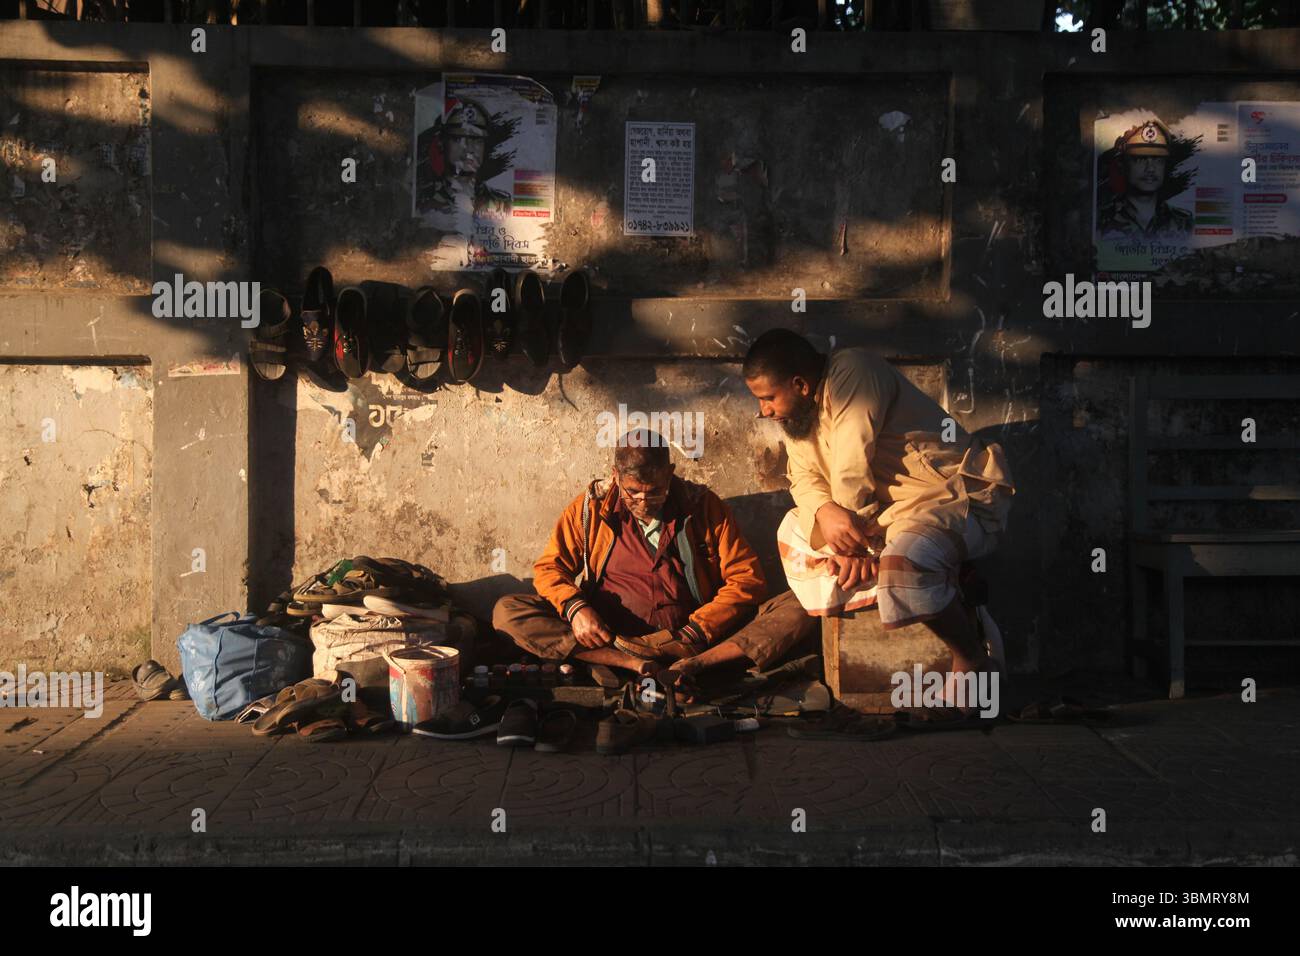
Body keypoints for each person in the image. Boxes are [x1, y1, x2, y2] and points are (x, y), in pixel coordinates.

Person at [742, 329, 1015, 693]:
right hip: (879, 518)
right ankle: (885, 573)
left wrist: (852, 545)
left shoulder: (853, 371)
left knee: (906, 561)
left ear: (800, 385)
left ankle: (970, 658)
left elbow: (851, 469)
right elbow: (803, 478)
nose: (764, 411)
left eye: (768, 398)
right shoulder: (799, 418)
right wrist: (824, 510)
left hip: (948, 502)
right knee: (791, 530)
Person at [493, 430, 817, 687]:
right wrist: (576, 609)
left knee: (803, 603)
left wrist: (698, 630)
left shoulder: (703, 506)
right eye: (633, 492)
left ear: (670, 473)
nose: (644, 501)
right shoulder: (590, 508)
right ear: (616, 475)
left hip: (692, 638)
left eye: (655, 491)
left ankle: (694, 665)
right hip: (613, 639)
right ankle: (632, 664)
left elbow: (747, 579)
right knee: (508, 611)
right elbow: (550, 569)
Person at [1097, 120, 1194, 240]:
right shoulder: (1100, 219)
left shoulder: (1183, 222)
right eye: (1140, 159)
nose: (1150, 168)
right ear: (1122, 164)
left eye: (1158, 159)